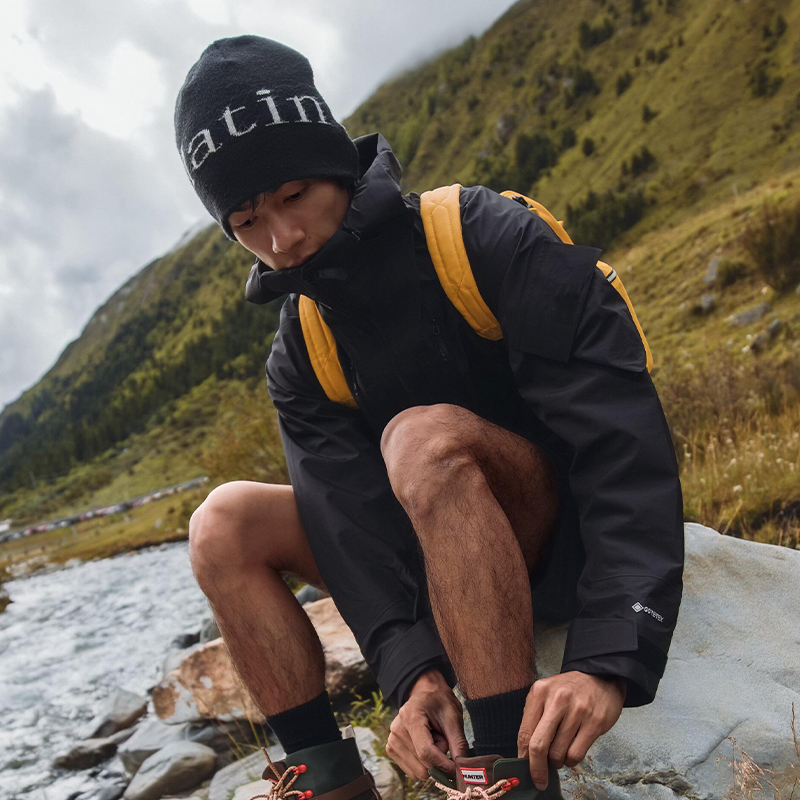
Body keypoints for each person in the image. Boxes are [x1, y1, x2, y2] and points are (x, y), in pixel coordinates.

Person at [174, 35, 684, 800]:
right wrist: (413, 671)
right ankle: (325, 780)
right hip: (433, 562)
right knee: (223, 522)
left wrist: (608, 657)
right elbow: (345, 525)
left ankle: (507, 771)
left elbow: (623, 442)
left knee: (420, 437)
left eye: (293, 196)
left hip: (555, 540)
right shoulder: (300, 347)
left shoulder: (485, 235)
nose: (282, 240)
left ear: (336, 164)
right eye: (247, 221)